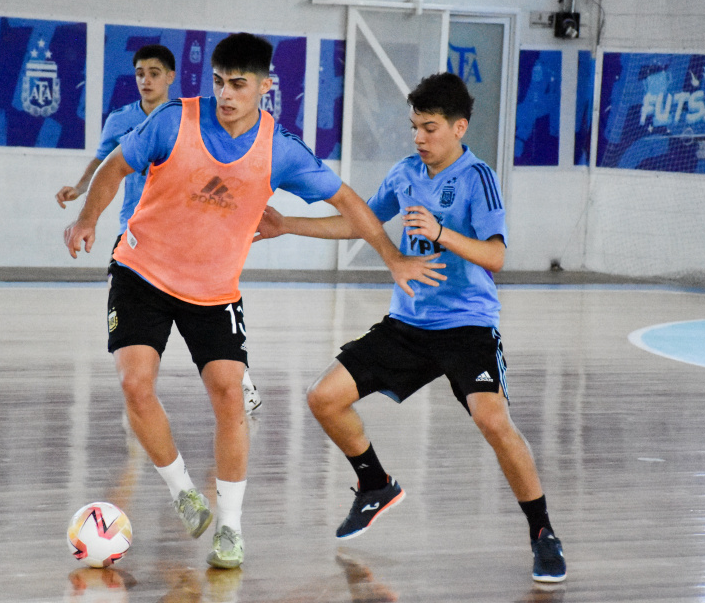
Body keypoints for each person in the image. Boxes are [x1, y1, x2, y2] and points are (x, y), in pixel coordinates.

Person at [63, 32, 442, 569]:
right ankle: (182, 492)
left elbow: (350, 202)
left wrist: (392, 257)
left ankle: (231, 527)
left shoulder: (279, 149)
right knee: (134, 382)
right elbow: (116, 167)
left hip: (213, 290)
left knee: (229, 396)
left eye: (239, 84)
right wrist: (87, 218)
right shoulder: (174, 120)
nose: (226, 94)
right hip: (141, 270)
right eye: (218, 82)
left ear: (265, 87)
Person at [254, 72, 567, 583]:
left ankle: (542, 532)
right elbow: (362, 223)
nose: (419, 138)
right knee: (322, 397)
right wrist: (289, 224)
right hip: (408, 323)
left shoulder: (477, 178)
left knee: (493, 422)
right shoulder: (404, 173)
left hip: (467, 325)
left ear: (459, 128)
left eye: (429, 128)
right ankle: (375, 484)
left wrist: (442, 233)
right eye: (414, 127)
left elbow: (497, 255)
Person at [53, 43, 261, 413]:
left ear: (170, 77)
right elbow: (105, 162)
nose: (145, 80)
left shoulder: (187, 118)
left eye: (153, 73)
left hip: (188, 231)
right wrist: (81, 190)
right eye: (138, 74)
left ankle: (239, 380)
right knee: (136, 311)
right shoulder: (120, 119)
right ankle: (141, 388)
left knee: (209, 311)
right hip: (135, 229)